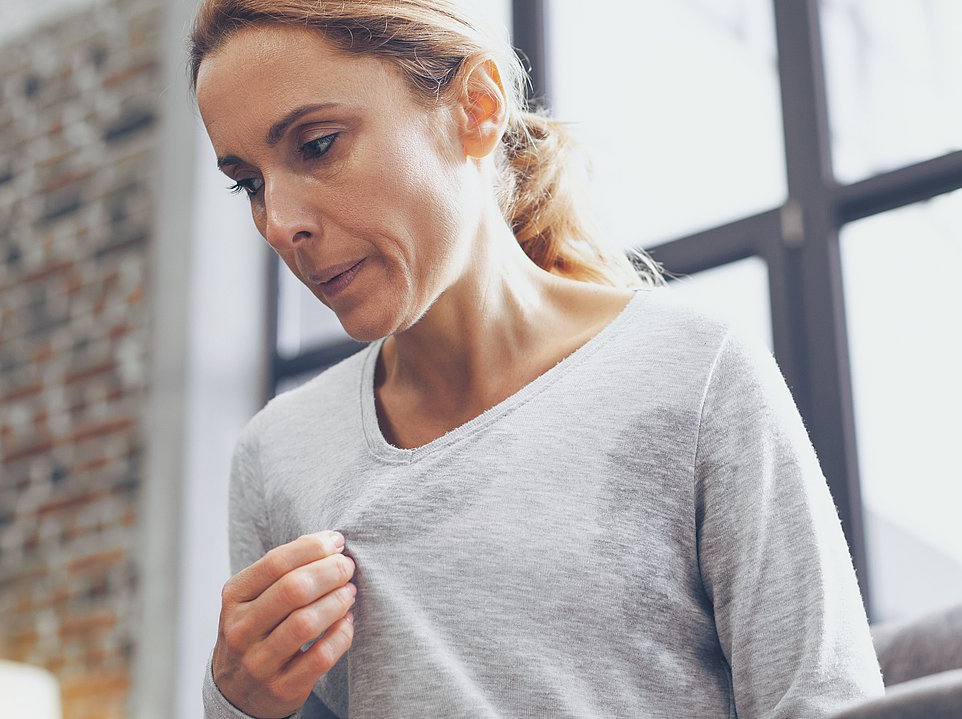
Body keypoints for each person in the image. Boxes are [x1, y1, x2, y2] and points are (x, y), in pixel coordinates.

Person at [190, 1, 884, 717]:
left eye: (317, 145)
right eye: (249, 182)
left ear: (477, 107)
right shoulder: (277, 456)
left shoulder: (696, 373)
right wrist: (238, 701)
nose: (280, 222)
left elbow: (823, 701)